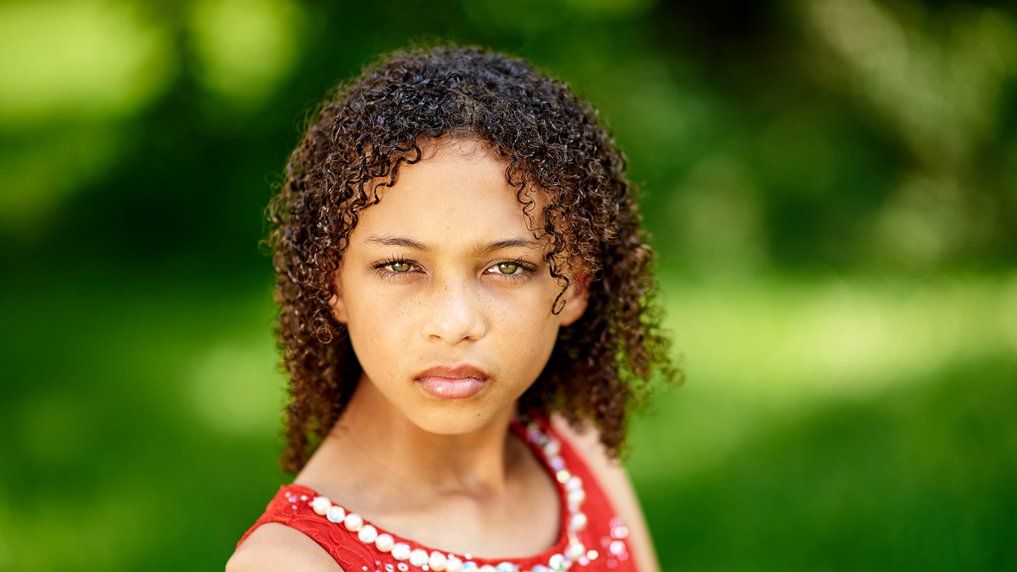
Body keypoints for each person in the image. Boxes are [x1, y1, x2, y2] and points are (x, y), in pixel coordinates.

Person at [226, 42, 682, 572]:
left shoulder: (578, 453)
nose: (455, 323)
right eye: (400, 266)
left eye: (507, 267)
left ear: (576, 286)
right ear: (333, 284)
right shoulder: (293, 564)